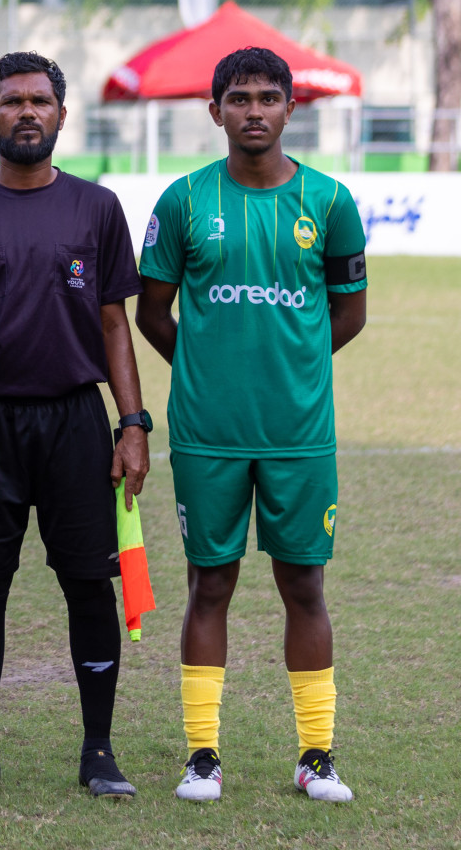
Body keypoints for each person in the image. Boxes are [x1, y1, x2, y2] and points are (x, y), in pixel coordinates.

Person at [0, 51, 150, 801]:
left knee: (88, 585)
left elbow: (115, 325)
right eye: (11, 101)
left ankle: (99, 750)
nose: (26, 112)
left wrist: (133, 422)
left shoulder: (96, 208)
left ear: (62, 116)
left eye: (40, 100)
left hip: (77, 420)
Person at [135, 47, 367, 804]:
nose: (255, 110)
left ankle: (317, 756)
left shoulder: (330, 203)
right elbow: (152, 313)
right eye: (240, 99)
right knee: (210, 584)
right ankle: (203, 756)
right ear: (215, 112)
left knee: (305, 584)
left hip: (300, 432)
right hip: (207, 432)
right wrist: (207, 368)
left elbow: (350, 312)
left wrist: (293, 363)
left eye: (270, 97)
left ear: (291, 110)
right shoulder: (182, 201)